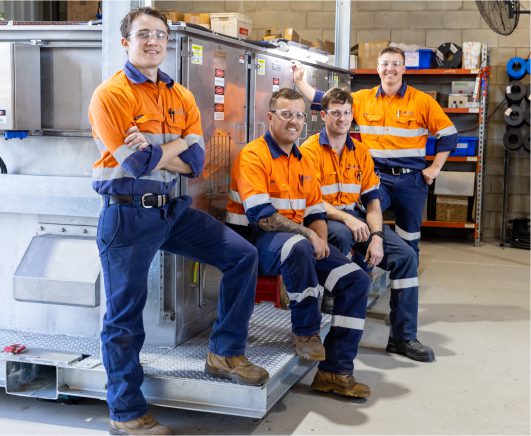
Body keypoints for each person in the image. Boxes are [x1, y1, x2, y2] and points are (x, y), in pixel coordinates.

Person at [88, 8, 268, 435]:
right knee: (123, 317)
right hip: (127, 216)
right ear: (125, 42)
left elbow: (198, 164)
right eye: (143, 35)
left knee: (242, 256)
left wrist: (160, 152)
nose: (153, 42)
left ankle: (224, 352)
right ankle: (127, 411)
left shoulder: (181, 95)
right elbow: (133, 165)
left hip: (173, 209)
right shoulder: (110, 95)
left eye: (160, 35)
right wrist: (175, 148)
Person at [226, 88, 372, 399]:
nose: (293, 121)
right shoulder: (254, 155)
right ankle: (305, 332)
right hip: (254, 246)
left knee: (356, 279)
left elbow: (315, 210)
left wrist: (321, 239)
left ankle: (335, 370)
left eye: (298, 115)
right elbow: (262, 217)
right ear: (270, 118)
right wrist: (311, 236)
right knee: (299, 245)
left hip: (295, 243)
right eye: (286, 114)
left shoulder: (303, 160)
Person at [300, 88, 434, 362]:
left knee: (406, 256)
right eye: (335, 113)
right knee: (343, 238)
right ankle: (333, 314)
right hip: (323, 219)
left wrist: (376, 236)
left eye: (347, 113)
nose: (342, 119)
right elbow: (308, 201)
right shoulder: (309, 151)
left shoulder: (361, 152)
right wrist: (347, 218)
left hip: (358, 218)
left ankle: (403, 337)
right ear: (323, 115)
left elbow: (373, 203)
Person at [293, 47, 457, 258]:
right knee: (366, 227)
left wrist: (435, 168)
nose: (390, 69)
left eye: (396, 64)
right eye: (385, 64)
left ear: (404, 68)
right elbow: (326, 101)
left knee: (409, 238)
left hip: (412, 181)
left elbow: (450, 135)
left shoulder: (422, 101)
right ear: (378, 68)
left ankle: (405, 277)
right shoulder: (362, 99)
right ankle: (365, 274)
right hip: (377, 178)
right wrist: (299, 82)